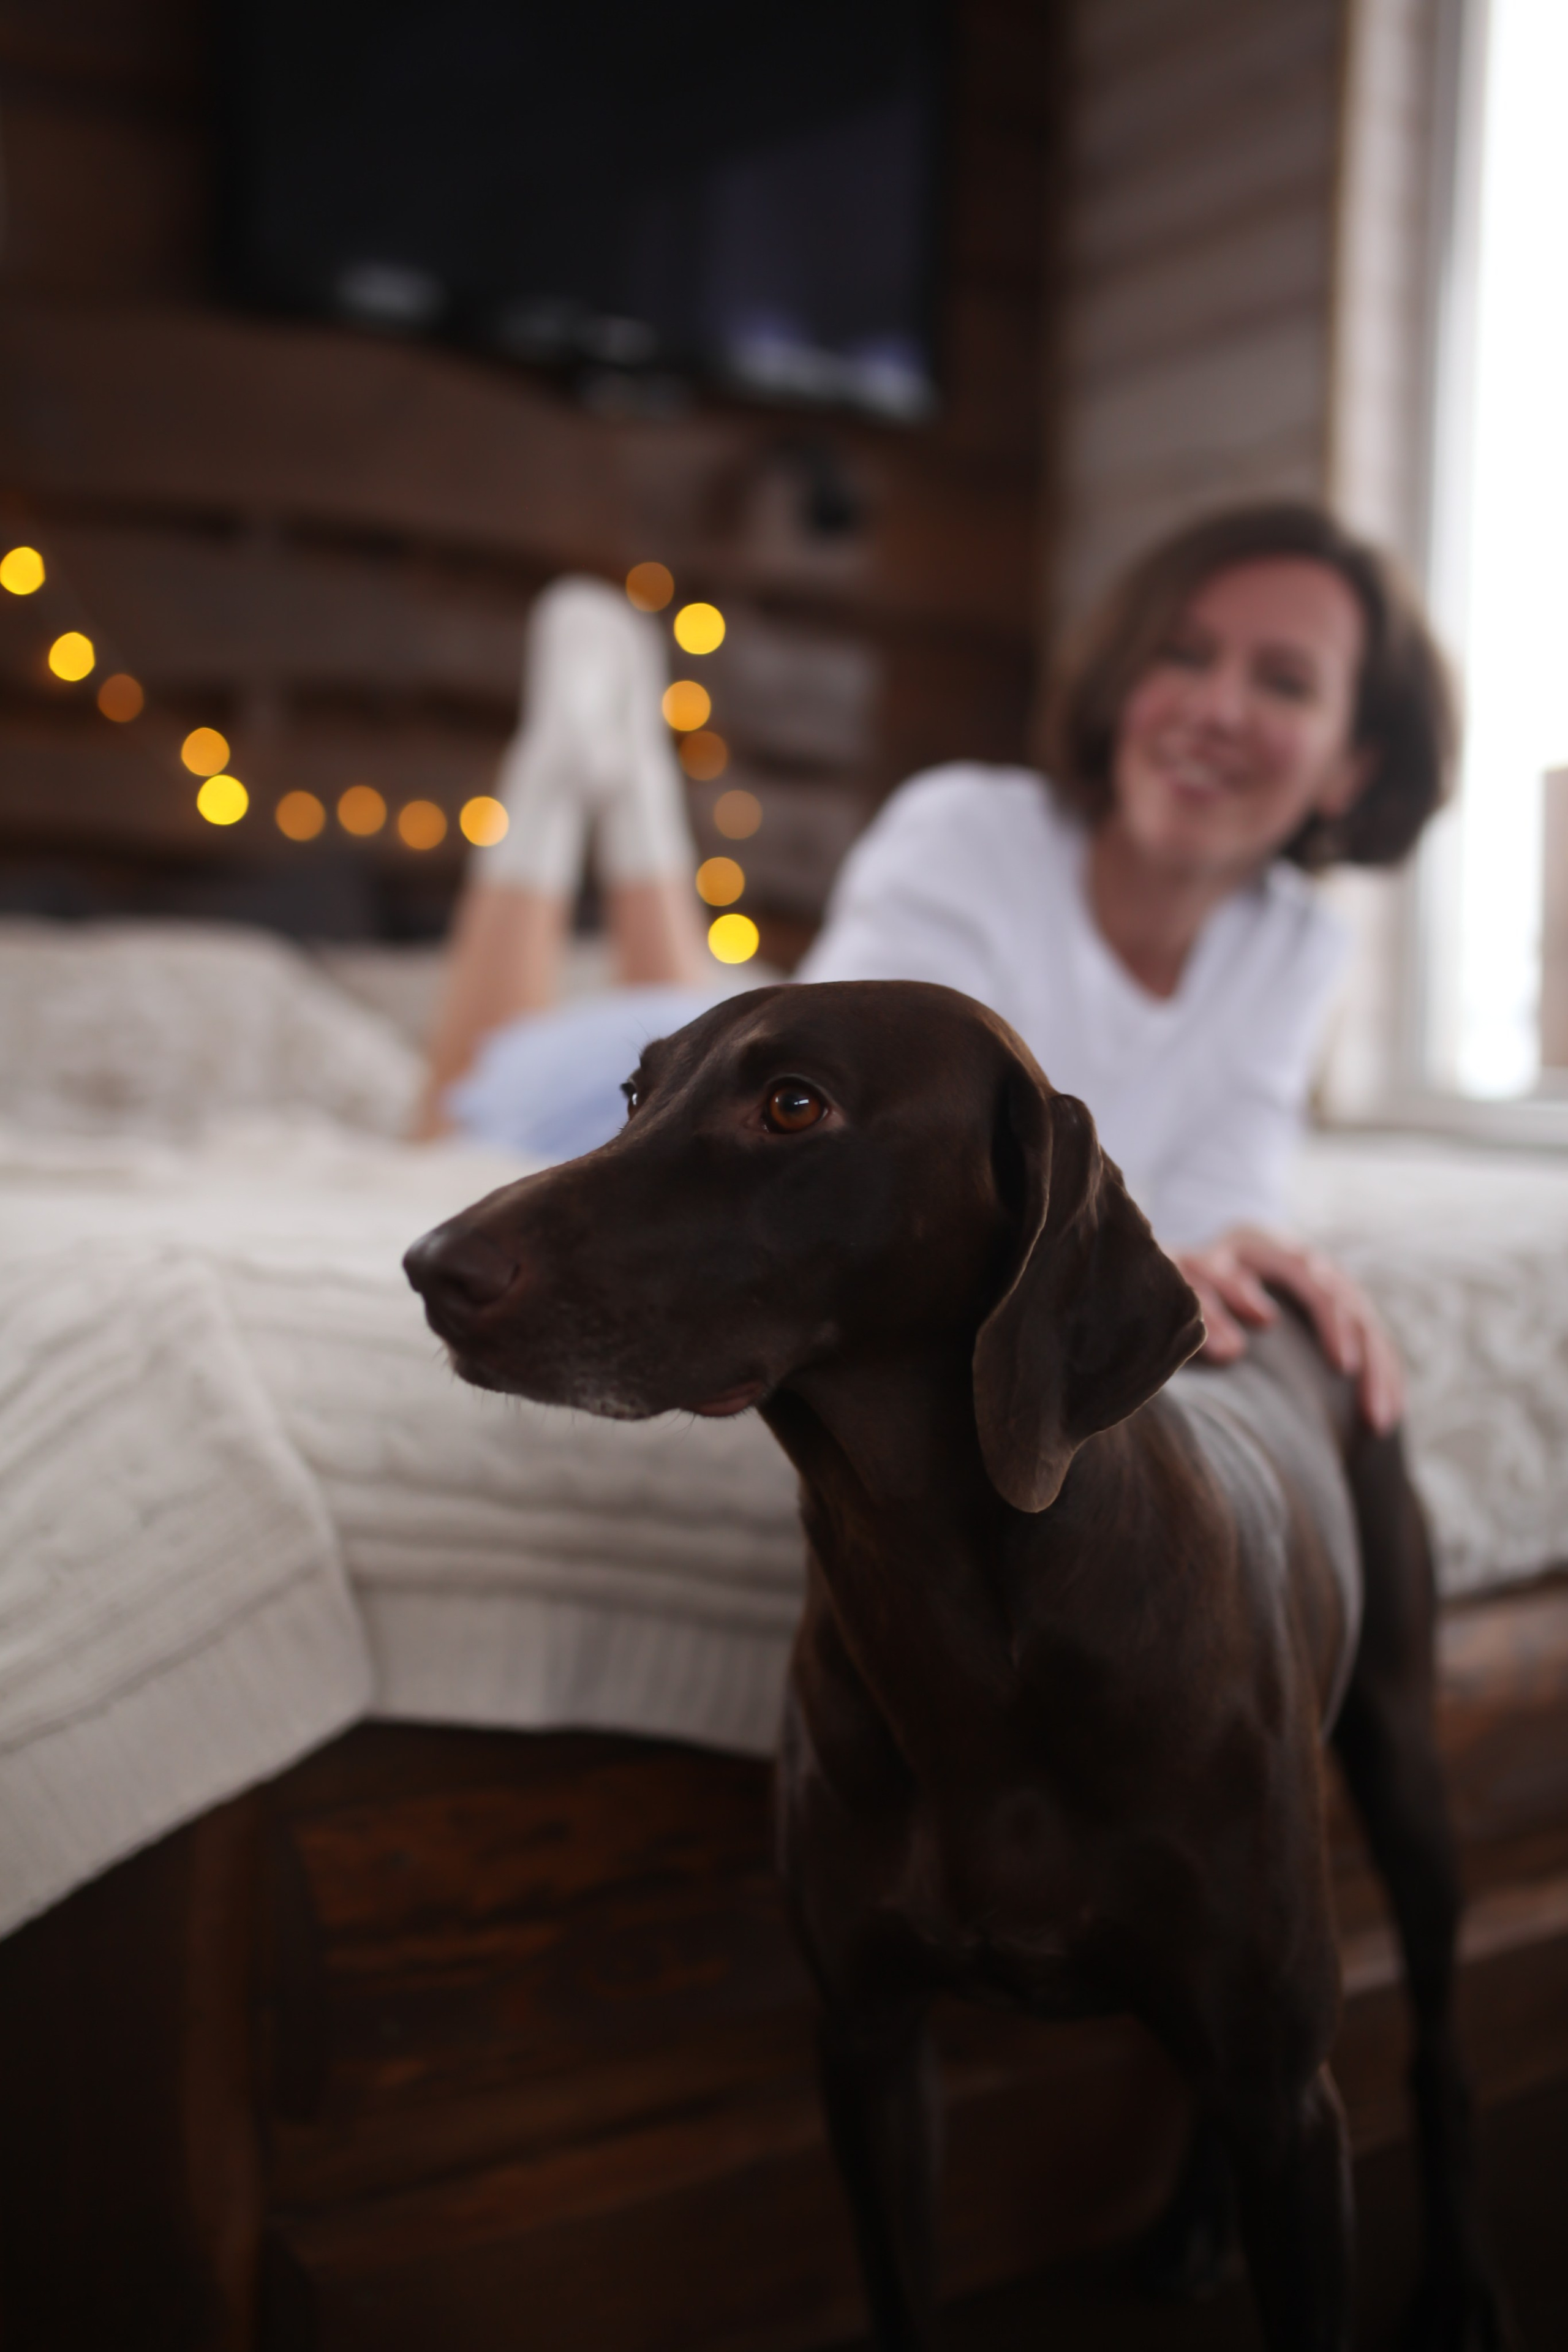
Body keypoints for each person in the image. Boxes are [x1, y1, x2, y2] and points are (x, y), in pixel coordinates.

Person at [416, 505, 1455, 1431]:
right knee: (453, 1102)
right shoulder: (969, 827)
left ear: (1352, 766)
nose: (1217, 707)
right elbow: (824, 1117)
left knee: (702, 1004)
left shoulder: (1299, 943)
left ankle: (636, 787)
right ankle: (556, 780)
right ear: (1126, 682)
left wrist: (1220, 1254)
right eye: (1182, 656)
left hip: (742, 1045)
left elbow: (1226, 1184)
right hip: (710, 1104)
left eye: (1283, 681)